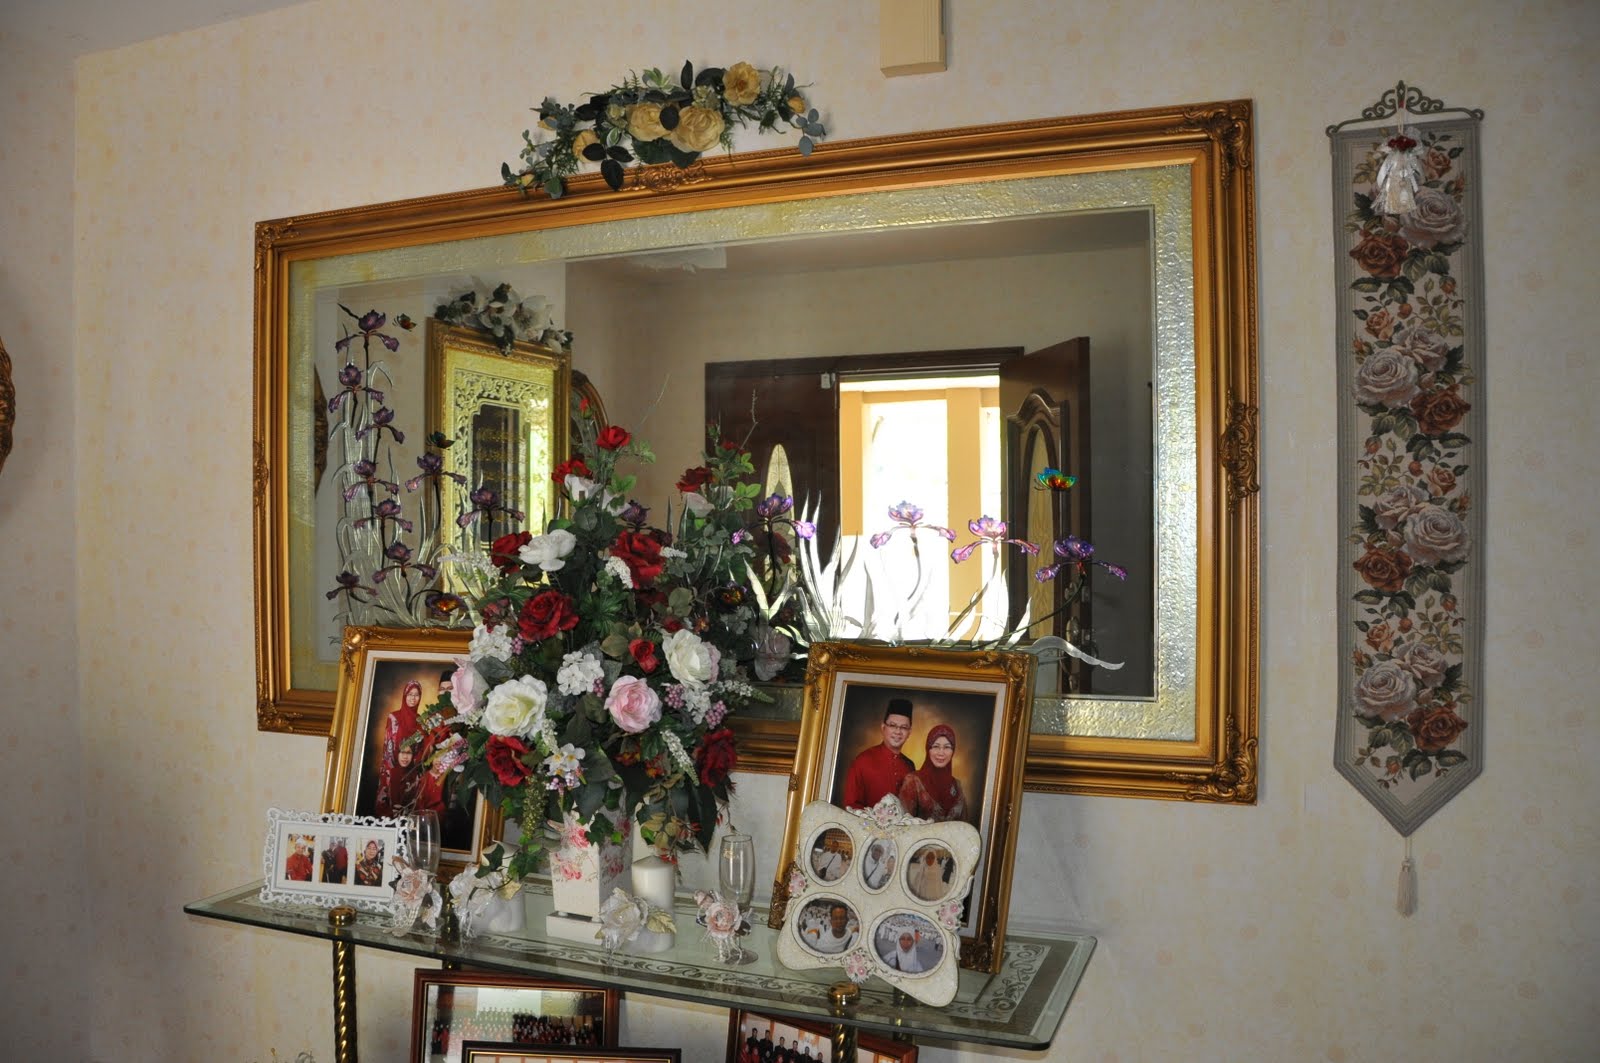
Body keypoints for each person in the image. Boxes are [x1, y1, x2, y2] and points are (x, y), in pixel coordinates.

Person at [840, 697, 915, 809]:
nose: (898, 731)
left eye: (904, 727)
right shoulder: (862, 761)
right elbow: (851, 806)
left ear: (909, 732)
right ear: (883, 727)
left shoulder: (909, 766)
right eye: (892, 725)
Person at [896, 723, 968, 822]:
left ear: (953, 751)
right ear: (928, 749)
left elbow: (965, 826)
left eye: (947, 747)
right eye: (936, 746)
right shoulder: (913, 781)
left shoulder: (957, 786)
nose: (941, 753)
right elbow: (903, 824)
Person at [375, 680, 425, 816]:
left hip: (412, 771)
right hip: (394, 770)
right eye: (410, 694)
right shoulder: (393, 718)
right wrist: (394, 771)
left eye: (416, 695)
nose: (413, 698)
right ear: (404, 695)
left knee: (409, 813)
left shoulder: (421, 721)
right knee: (390, 811)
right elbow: (388, 746)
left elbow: (421, 748)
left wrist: (414, 765)